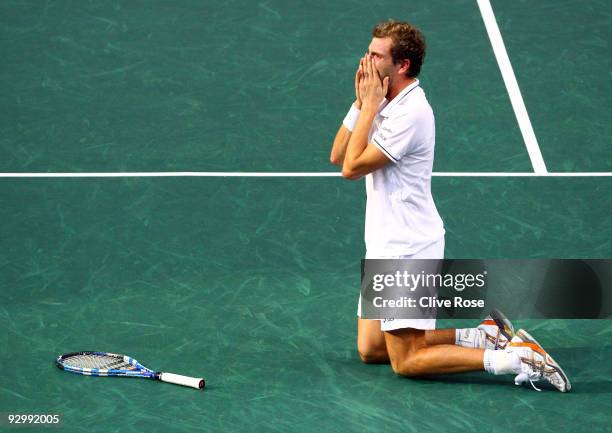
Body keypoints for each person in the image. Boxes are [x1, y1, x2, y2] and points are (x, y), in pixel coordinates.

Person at [329, 19, 570, 392]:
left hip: (406, 248)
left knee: (406, 360)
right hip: (384, 242)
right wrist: (363, 103)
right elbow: (336, 154)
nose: (366, 61)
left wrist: (371, 103)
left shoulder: (411, 113)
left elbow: (351, 168)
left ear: (402, 65)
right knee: (372, 348)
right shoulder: (382, 101)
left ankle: (515, 359)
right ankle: (485, 336)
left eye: (376, 55)